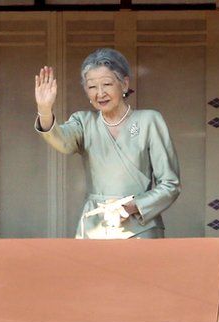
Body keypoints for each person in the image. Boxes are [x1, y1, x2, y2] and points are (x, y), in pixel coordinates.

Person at [35, 48, 180, 239]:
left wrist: (133, 207)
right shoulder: (83, 122)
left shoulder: (149, 121)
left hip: (141, 227)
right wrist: (44, 110)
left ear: (124, 84)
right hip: (95, 227)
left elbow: (170, 184)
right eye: (92, 87)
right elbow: (62, 141)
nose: (100, 93)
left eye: (107, 84)